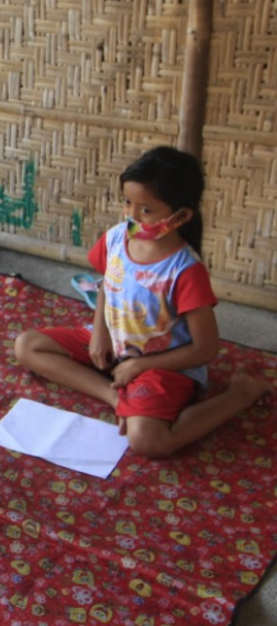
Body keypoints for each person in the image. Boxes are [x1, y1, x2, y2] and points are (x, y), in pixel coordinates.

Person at [14, 147, 271, 459]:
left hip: (163, 365)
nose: (130, 215)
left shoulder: (185, 271)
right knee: (27, 345)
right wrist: (100, 334)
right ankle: (113, 396)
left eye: (146, 210)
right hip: (119, 344)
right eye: (127, 203)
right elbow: (108, 285)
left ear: (182, 216)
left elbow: (205, 350)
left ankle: (239, 395)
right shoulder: (116, 238)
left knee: (148, 441)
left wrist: (140, 365)